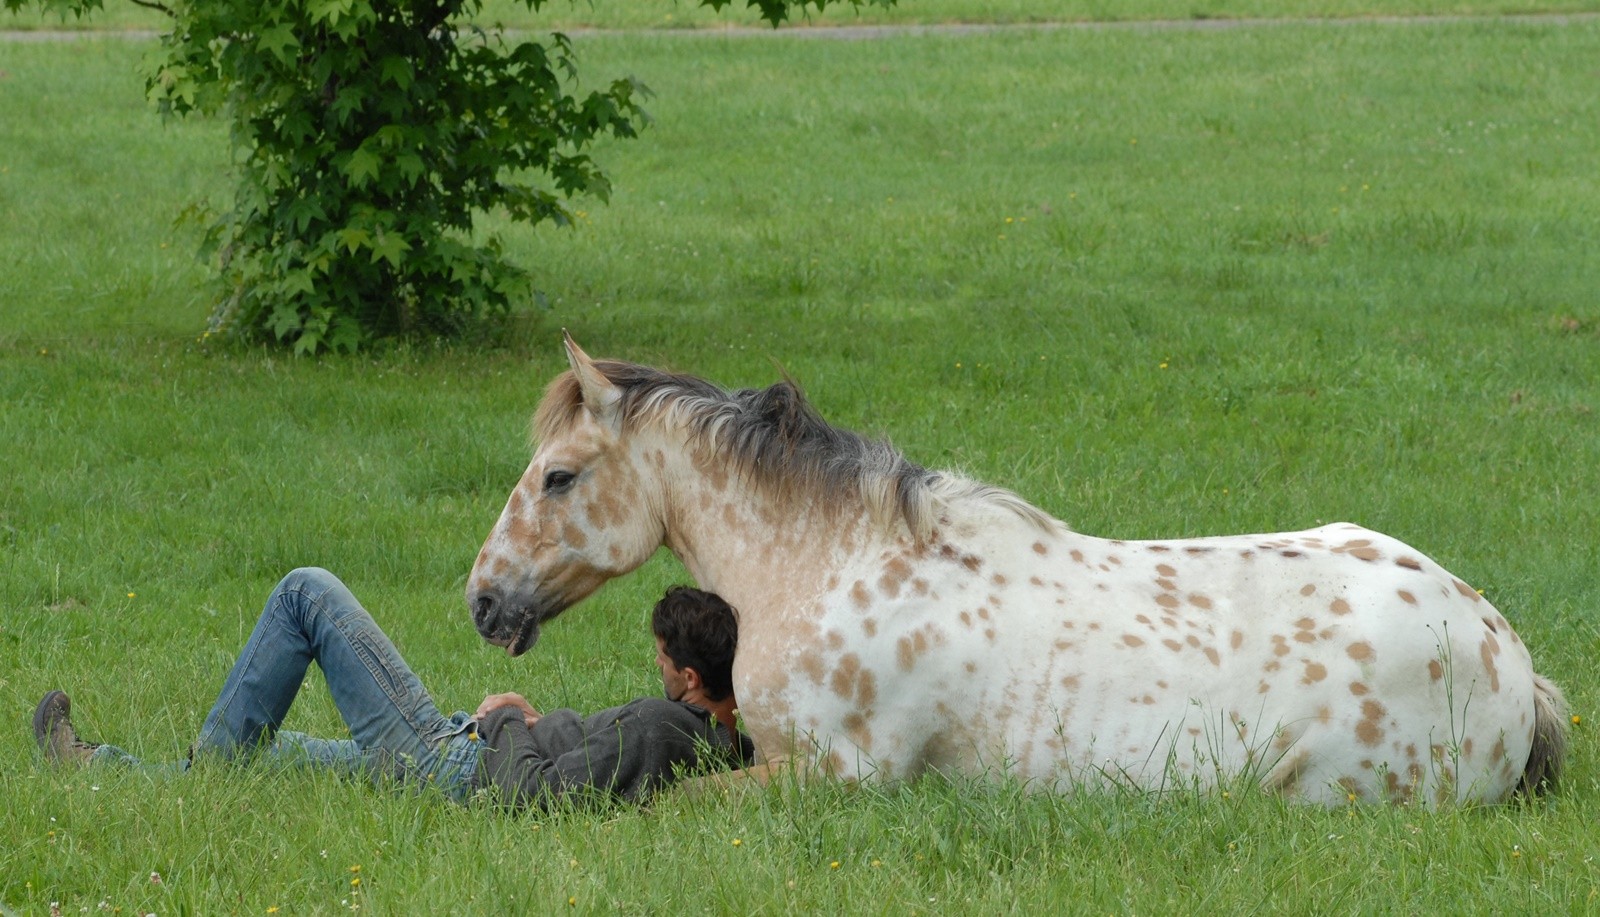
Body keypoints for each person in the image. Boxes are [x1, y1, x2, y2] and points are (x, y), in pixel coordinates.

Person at [31, 567, 754, 809]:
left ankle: (203, 774)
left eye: (660, 659)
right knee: (276, 757)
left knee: (305, 592)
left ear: (689, 679)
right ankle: (99, 766)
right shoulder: (725, 736)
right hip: (461, 747)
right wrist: (535, 720)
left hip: (457, 764)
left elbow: (536, 798)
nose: (654, 669)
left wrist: (506, 717)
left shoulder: (665, 729)